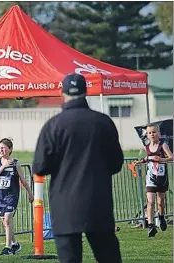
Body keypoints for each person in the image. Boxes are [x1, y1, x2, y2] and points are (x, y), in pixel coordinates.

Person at [32, 73, 124, 263]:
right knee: (108, 257)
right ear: (86, 92)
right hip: (98, 204)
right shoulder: (103, 122)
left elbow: (40, 167)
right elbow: (116, 163)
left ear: (62, 92)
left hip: (65, 206)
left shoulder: (53, 126)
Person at [0, 138, 34, 256]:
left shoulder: (15, 163)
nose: (1, 150)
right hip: (0, 196)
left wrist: (30, 193)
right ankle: (15, 243)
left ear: (10, 149)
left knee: (8, 219)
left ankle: (7, 247)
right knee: (4, 222)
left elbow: (23, 180)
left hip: (12, 195)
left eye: (3, 147)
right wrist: (3, 166)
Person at [133, 124, 172, 237]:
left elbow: (171, 157)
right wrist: (140, 162)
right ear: (148, 135)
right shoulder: (147, 147)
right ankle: (150, 226)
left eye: (154, 132)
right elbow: (148, 158)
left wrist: (162, 159)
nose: (152, 134)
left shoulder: (163, 145)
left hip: (161, 178)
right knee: (150, 202)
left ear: (159, 134)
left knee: (160, 203)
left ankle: (161, 217)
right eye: (150, 133)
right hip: (150, 178)